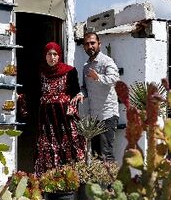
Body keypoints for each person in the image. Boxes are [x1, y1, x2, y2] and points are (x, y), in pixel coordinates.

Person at [35, 42, 87, 175]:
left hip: (64, 115)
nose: (52, 57)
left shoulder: (69, 71)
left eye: (55, 54)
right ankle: (50, 177)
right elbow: (35, 93)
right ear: (45, 56)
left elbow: (75, 92)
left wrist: (72, 107)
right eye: (49, 54)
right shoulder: (41, 72)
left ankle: (71, 176)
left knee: (68, 142)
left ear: (59, 56)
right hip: (46, 116)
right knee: (48, 143)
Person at [80, 31, 119, 161]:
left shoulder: (107, 61)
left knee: (106, 155)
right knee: (96, 155)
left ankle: (112, 182)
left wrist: (98, 77)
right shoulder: (86, 67)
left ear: (99, 44)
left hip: (107, 115)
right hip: (94, 117)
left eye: (92, 43)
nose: (90, 46)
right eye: (87, 44)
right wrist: (81, 94)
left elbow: (114, 79)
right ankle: (99, 182)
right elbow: (85, 87)